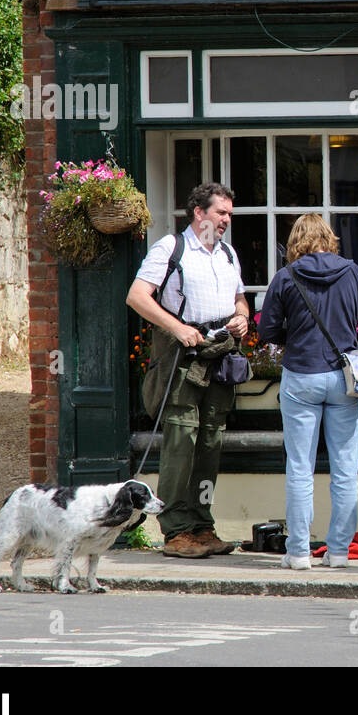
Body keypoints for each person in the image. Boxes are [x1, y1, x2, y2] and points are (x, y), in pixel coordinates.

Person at [257, 214, 358, 570]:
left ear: (296, 241)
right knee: (345, 469)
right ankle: (340, 552)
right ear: (329, 238)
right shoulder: (352, 271)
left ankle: (299, 552)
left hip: (301, 375)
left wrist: (297, 338)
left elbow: (267, 330)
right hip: (344, 376)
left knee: (300, 468)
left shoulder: (286, 277)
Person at [125, 182, 248, 559]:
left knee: (211, 442)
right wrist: (177, 327)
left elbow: (240, 299)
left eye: (229, 213)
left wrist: (242, 317)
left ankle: (201, 523)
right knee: (181, 443)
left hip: (219, 358)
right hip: (182, 358)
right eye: (221, 212)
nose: (227, 219)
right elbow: (137, 296)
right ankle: (176, 530)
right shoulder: (171, 247)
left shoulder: (227, 253)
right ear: (199, 213)